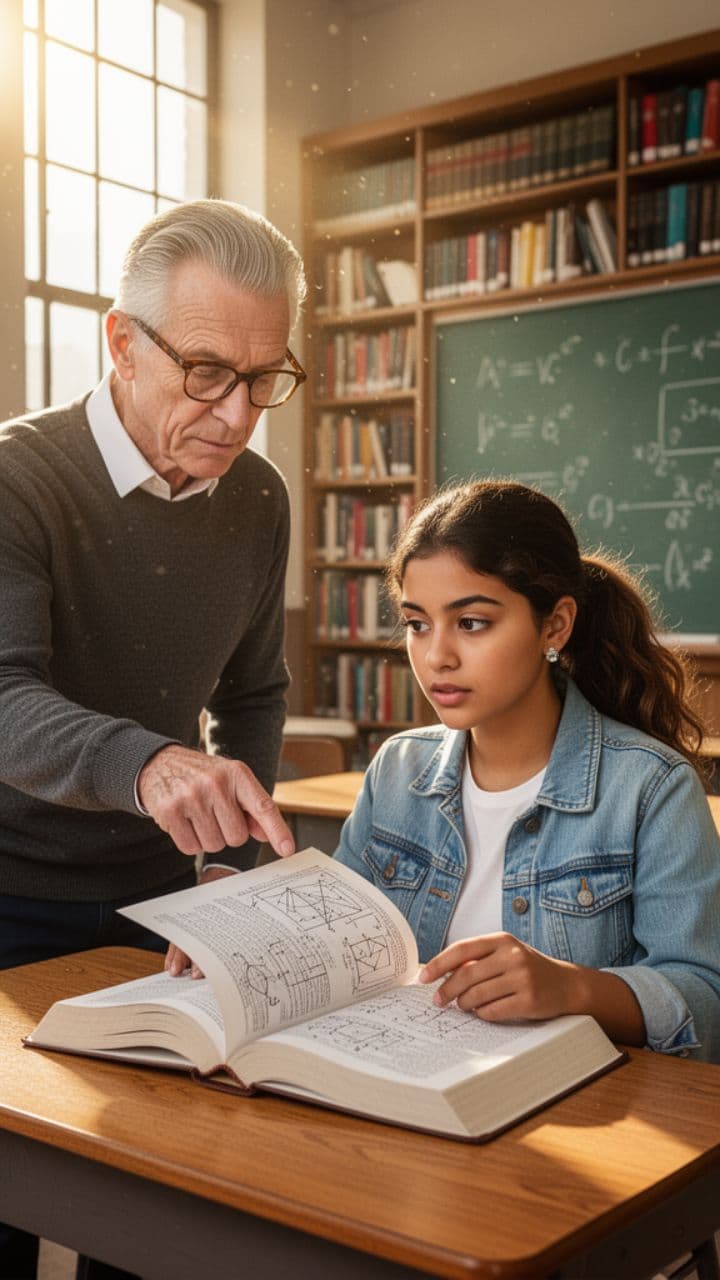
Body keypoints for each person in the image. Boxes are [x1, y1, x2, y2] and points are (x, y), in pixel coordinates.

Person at [0, 198, 307, 1280]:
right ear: (122, 343)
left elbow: (257, 692)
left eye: (267, 377)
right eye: (209, 370)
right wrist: (148, 760)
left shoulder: (259, 499)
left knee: (148, 1203)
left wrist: (225, 871)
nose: (237, 413)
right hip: (9, 886)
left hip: (158, 900)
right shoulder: (17, 477)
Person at [334, 479, 720, 1063]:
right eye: (417, 624)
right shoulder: (396, 769)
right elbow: (333, 938)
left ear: (554, 626)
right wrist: (241, 953)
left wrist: (572, 988)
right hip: (400, 1090)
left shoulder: (650, 787)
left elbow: (707, 1003)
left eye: (471, 623)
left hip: (573, 1121)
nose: (437, 655)